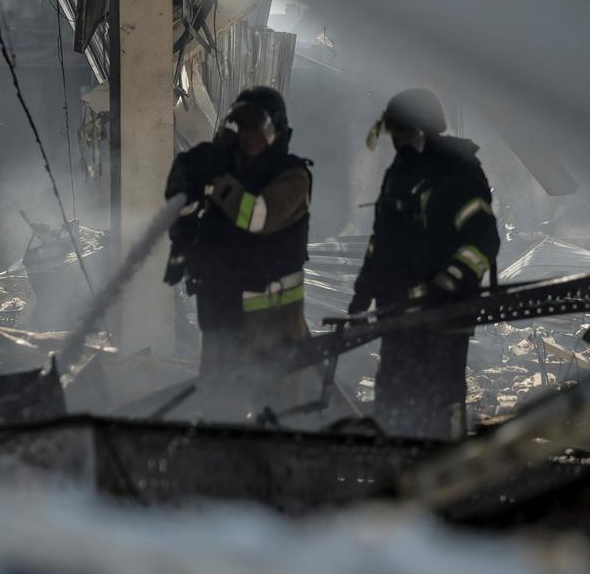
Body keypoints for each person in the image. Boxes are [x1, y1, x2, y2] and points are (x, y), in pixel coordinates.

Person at [349, 89, 499, 440]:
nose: (397, 140)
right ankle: (396, 478)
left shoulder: (458, 168)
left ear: (424, 128)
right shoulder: (399, 172)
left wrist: (449, 282)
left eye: (402, 131)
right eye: (394, 132)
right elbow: (381, 242)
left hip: (442, 317)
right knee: (393, 402)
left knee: (439, 406)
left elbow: (482, 240)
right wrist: (363, 292)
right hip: (398, 314)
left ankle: (446, 475)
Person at [164, 86, 313, 418]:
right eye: (242, 128)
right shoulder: (225, 168)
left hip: (272, 324)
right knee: (218, 411)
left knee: (276, 416)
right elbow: (184, 211)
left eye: (255, 129)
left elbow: (256, 217)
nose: (247, 137)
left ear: (275, 130)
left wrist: (217, 182)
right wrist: (187, 179)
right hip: (222, 315)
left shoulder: (293, 177)